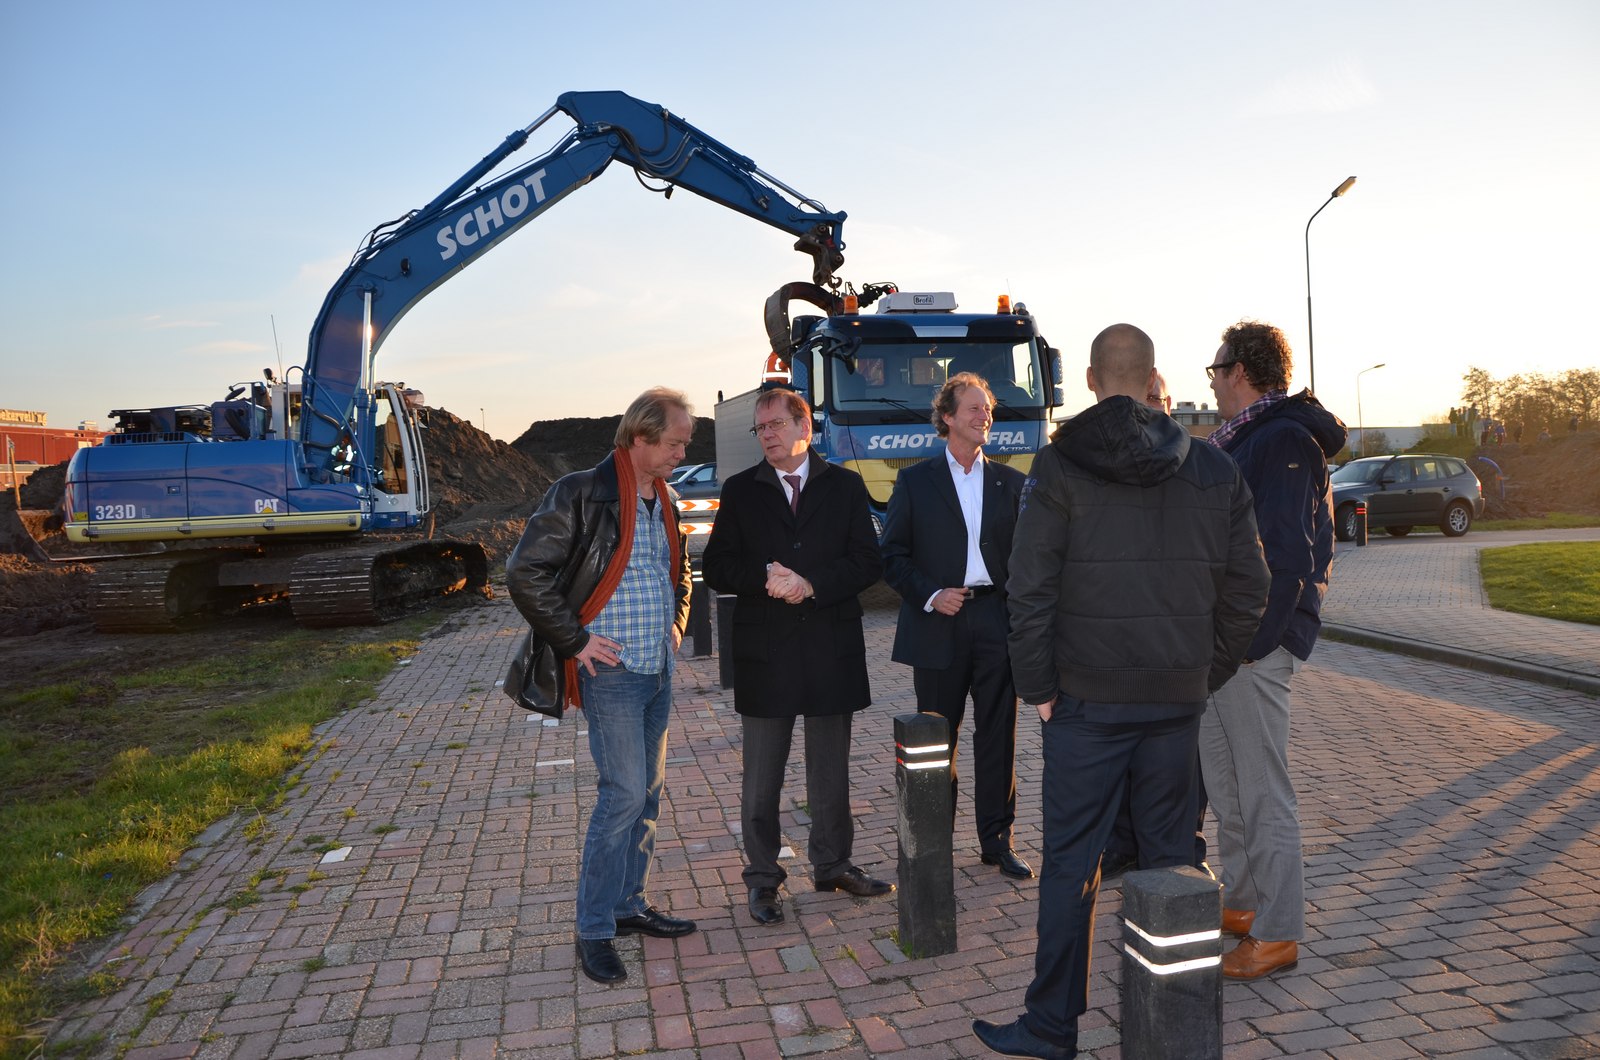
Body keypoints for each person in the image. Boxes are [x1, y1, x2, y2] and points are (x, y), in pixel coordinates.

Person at [972, 325, 1269, 1059]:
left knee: (1072, 866)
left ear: (1096, 379)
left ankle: (1050, 1028)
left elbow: (1029, 588)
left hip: (1084, 708)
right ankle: (1176, 1026)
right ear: (1153, 377)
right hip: (1174, 704)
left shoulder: (1059, 465)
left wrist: (1039, 685)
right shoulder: (1213, 468)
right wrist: (1204, 673)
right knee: (1172, 863)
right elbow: (1251, 589)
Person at [505, 387, 698, 985]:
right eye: (673, 442)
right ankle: (593, 929)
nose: (681, 452)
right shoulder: (580, 492)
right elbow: (523, 571)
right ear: (638, 439)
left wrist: (676, 622)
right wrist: (575, 641)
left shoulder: (664, 496)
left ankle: (627, 904)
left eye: (684, 442)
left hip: (656, 669)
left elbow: (681, 569)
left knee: (646, 796)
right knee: (621, 796)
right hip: (609, 672)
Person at [702, 388, 891, 925]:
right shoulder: (741, 491)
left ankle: (833, 864)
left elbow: (866, 562)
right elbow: (717, 566)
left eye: (777, 425)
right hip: (767, 651)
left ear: (804, 427)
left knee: (830, 775)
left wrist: (810, 584)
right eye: (760, 428)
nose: (767, 435)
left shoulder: (846, 486)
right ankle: (763, 881)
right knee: (762, 779)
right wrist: (766, 578)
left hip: (830, 647)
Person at [1201, 320, 1347, 981]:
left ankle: (1279, 932)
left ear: (1240, 370)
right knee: (1229, 788)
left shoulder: (1283, 439)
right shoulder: (1249, 439)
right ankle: (1244, 904)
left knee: (1263, 792)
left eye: (1215, 369)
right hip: (1224, 646)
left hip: (1251, 649)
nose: (1210, 381)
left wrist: (1255, 646)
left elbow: (1288, 555)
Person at [881, 372, 1031, 880]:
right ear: (947, 418)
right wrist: (930, 594)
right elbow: (892, 555)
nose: (984, 415)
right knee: (936, 741)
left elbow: (1029, 560)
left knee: (998, 737)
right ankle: (933, 846)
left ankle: (997, 842)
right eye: (973, 408)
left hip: (996, 619)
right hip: (939, 621)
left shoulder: (1011, 483)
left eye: (987, 408)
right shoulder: (914, 481)